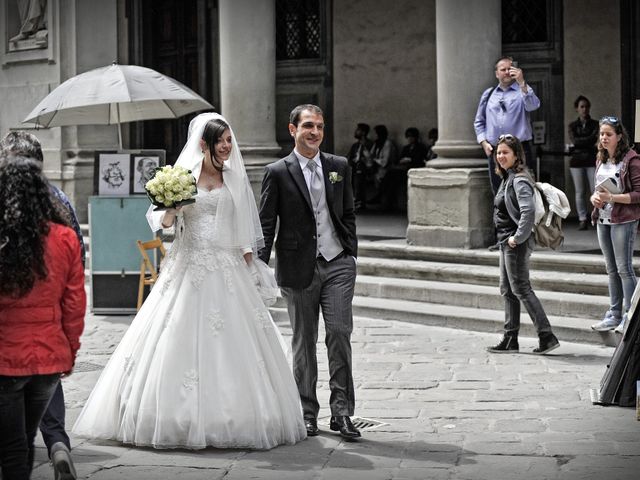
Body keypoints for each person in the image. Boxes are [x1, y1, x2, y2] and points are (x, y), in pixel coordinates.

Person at [73, 113, 306, 450]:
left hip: (226, 267)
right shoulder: (182, 178)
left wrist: (251, 265)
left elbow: (241, 228)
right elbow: (164, 223)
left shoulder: (234, 179)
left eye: (229, 140)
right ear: (203, 144)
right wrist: (174, 206)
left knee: (239, 343)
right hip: (188, 264)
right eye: (221, 140)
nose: (228, 146)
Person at [258, 104, 360, 439]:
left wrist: (349, 250)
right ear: (293, 130)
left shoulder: (339, 166)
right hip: (298, 267)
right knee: (304, 341)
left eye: (319, 126)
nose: (314, 132)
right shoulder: (277, 172)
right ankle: (306, 411)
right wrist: (259, 265)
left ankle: (342, 412)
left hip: (338, 264)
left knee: (339, 333)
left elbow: (347, 211)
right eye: (307, 126)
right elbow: (266, 223)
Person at [0, 130, 85, 480]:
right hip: (48, 362)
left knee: (12, 449)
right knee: (25, 437)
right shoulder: (64, 237)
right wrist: (70, 350)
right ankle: (58, 445)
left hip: (6, 361)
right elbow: (75, 302)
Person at [486, 134, 560, 355]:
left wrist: (517, 238)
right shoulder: (509, 177)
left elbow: (527, 212)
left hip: (515, 242)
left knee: (521, 288)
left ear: (516, 155)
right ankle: (511, 338)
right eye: (498, 153)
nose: (500, 156)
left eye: (505, 152)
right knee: (508, 289)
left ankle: (546, 336)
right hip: (506, 241)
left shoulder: (519, 179)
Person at [589, 116, 640, 334]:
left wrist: (612, 198)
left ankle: (629, 315)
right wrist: (595, 198)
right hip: (603, 218)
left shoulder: (632, 160)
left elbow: (638, 194)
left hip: (624, 219)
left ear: (619, 136)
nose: (604, 138)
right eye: (602, 134)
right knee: (611, 269)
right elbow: (598, 190)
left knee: (624, 269)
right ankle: (614, 313)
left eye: (608, 134)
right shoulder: (601, 159)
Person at [474, 56, 541, 194]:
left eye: (509, 69)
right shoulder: (489, 94)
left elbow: (533, 106)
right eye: (502, 69)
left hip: (520, 149)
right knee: (499, 191)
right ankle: (501, 216)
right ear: (496, 73)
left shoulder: (523, 91)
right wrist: (483, 142)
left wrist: (521, 82)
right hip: (495, 150)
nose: (506, 72)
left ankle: (522, 216)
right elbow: (479, 121)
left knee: (523, 190)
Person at [568, 95, 599, 230]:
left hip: (591, 160)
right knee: (579, 191)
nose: (584, 109)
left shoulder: (595, 124)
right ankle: (582, 219)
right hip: (577, 161)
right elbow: (575, 141)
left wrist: (583, 142)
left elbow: (593, 139)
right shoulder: (573, 125)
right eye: (581, 106)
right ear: (577, 109)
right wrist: (585, 142)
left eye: (586, 106)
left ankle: (597, 216)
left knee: (595, 190)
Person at [380, 127, 430, 211]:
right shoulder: (406, 148)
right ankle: (385, 197)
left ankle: (383, 197)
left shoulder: (421, 147)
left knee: (393, 177)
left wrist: (410, 160)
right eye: (408, 137)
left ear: (416, 137)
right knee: (390, 176)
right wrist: (402, 161)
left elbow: (421, 160)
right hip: (403, 169)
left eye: (412, 137)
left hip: (413, 169)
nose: (410, 139)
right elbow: (400, 159)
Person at [346, 123, 373, 212]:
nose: (355, 132)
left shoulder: (369, 144)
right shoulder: (355, 145)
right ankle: (353, 201)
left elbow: (371, 159)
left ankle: (358, 202)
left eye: (358, 130)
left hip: (366, 169)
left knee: (359, 174)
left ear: (363, 132)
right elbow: (349, 157)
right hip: (355, 168)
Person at [368, 124, 397, 206]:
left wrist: (374, 160)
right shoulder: (377, 143)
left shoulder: (388, 144)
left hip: (386, 169)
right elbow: (371, 155)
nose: (375, 136)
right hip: (377, 168)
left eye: (376, 134)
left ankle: (381, 199)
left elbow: (385, 162)